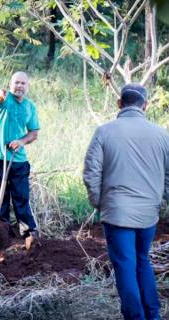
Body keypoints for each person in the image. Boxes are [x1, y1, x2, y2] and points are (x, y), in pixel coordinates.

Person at [83, 83, 169, 320]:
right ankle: (153, 316)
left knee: (125, 267)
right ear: (146, 105)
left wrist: (99, 202)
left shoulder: (104, 132)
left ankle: (135, 317)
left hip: (117, 213)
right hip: (148, 214)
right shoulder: (162, 135)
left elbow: (91, 172)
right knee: (142, 260)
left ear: (119, 104)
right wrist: (161, 202)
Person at [0, 71, 40, 243]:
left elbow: (33, 133)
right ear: (10, 84)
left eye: (23, 83)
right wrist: (0, 95)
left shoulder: (30, 107)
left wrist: (22, 141)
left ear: (27, 86)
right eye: (16, 83)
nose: (19, 86)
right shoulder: (4, 99)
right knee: (0, 193)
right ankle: (1, 233)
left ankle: (29, 233)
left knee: (21, 196)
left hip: (18, 158)